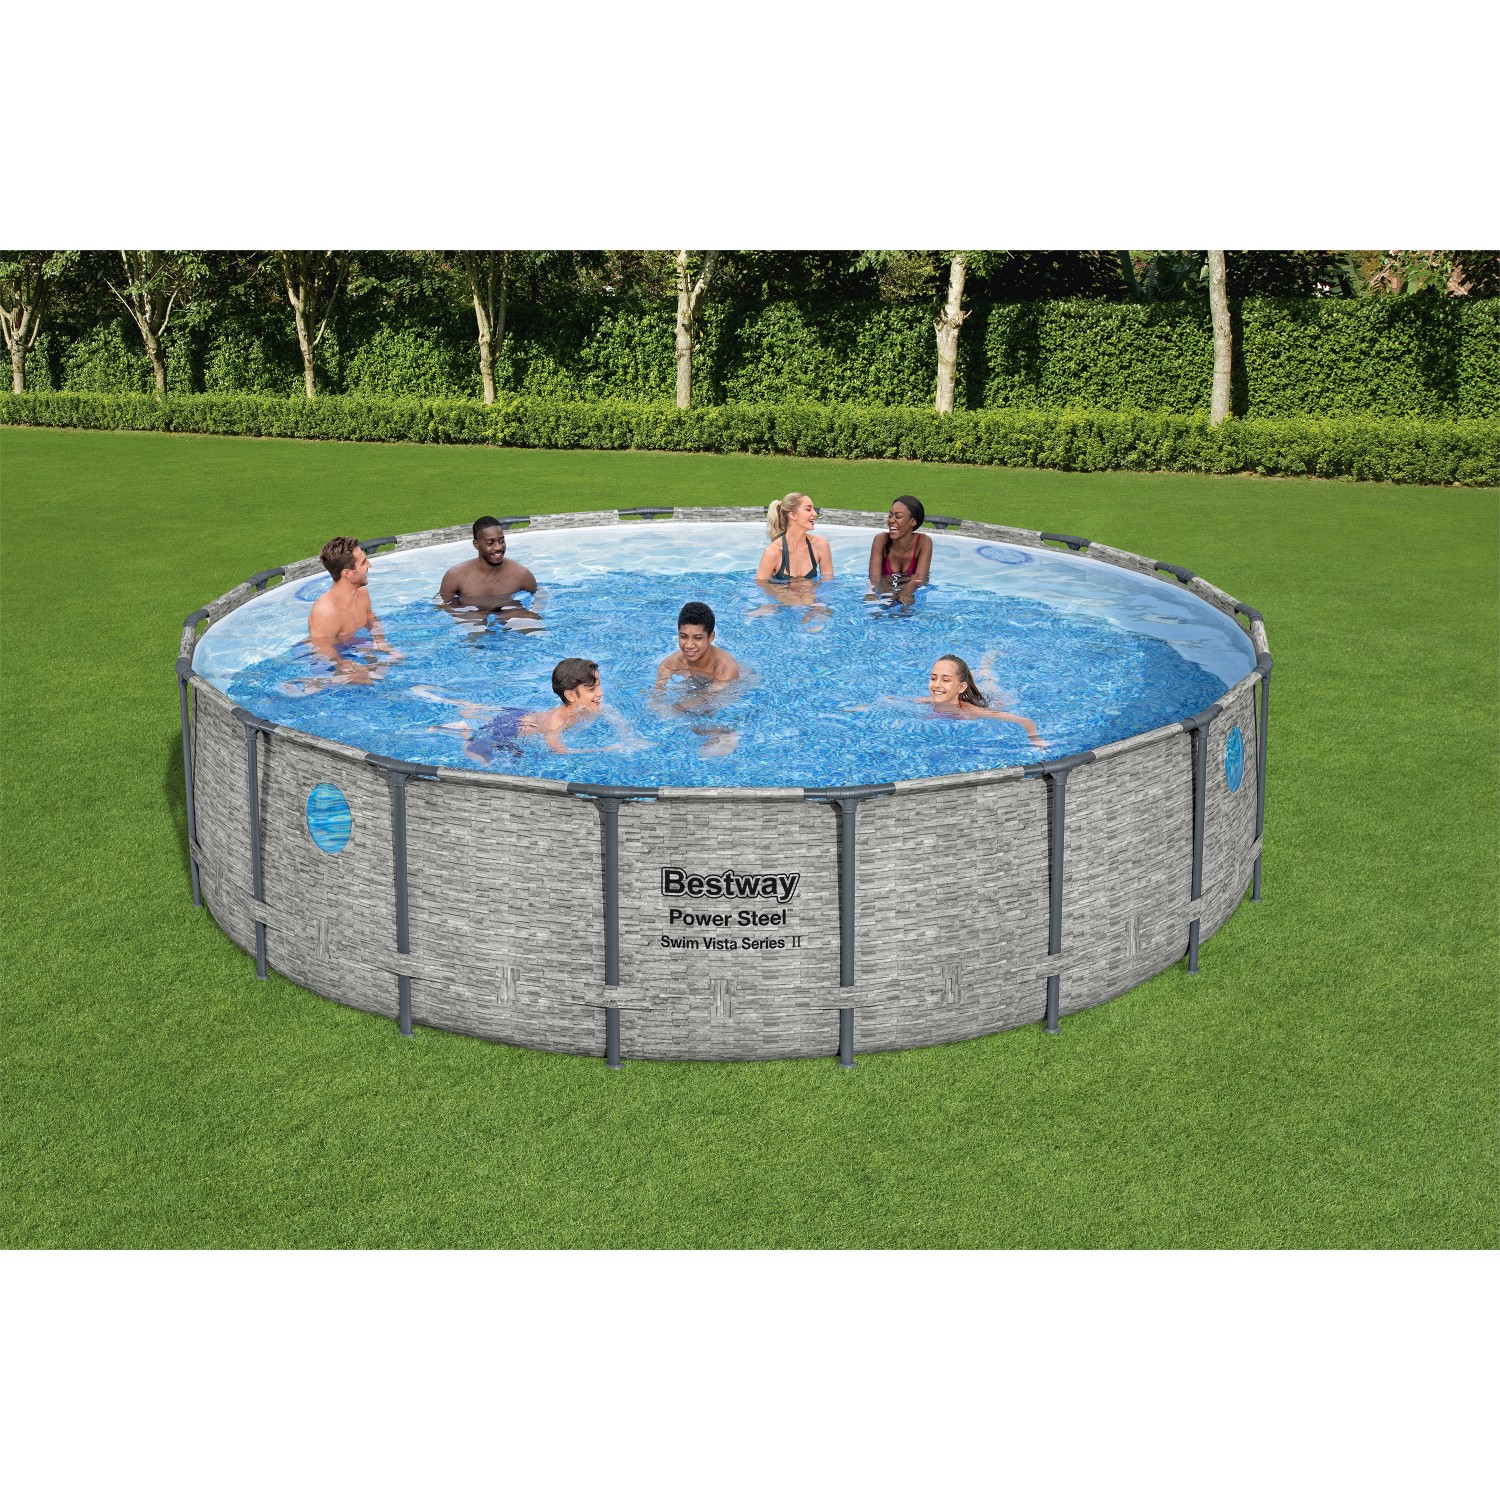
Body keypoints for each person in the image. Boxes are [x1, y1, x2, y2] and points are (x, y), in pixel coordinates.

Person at [415, 658, 634, 762]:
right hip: (509, 730)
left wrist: (629, 738)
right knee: (481, 758)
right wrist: (606, 750)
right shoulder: (556, 723)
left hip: (524, 714)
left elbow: (614, 715)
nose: (600, 693)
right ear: (570, 695)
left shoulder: (589, 706)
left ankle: (464, 708)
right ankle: (463, 730)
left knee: (483, 710)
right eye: (591, 689)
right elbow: (561, 752)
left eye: (599, 685)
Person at [307, 536, 402, 682]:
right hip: (326, 661)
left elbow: (371, 620)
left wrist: (380, 641)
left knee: (399, 658)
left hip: (352, 644)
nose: (369, 565)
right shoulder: (326, 611)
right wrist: (344, 666)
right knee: (366, 681)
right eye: (363, 562)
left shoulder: (362, 594)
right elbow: (322, 652)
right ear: (347, 573)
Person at [653, 601, 742, 757]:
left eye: (697, 638)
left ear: (711, 637)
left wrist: (677, 707)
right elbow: (656, 695)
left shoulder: (726, 667)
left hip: (730, 682)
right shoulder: (669, 665)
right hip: (699, 681)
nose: (689, 645)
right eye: (683, 637)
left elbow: (710, 697)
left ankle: (725, 734)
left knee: (711, 716)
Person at [917, 655, 1047, 748]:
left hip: (993, 699)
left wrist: (1035, 739)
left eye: (945, 680)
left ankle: (986, 665)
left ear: (961, 687)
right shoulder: (929, 701)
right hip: (966, 692)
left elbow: (1024, 721)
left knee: (989, 683)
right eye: (933, 678)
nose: (936, 685)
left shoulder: (971, 711)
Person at [437, 516, 542, 631]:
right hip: (472, 613)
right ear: (476, 544)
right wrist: (462, 614)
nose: (498, 547)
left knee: (534, 627)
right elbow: (441, 602)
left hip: (510, 609)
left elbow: (539, 594)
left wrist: (535, 611)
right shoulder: (456, 575)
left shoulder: (520, 573)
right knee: (477, 632)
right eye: (490, 543)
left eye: (501, 541)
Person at [755, 492, 834, 584]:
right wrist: (782, 590)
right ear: (793, 515)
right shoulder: (773, 552)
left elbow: (828, 582)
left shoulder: (821, 544)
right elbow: (761, 586)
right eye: (808, 509)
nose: (815, 513)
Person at [867, 495, 932, 600]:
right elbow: (874, 577)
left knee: (907, 602)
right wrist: (872, 593)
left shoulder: (924, 542)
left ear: (913, 521)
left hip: (909, 589)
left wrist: (906, 592)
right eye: (890, 515)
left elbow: (920, 578)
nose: (891, 520)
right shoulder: (880, 540)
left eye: (898, 516)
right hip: (885, 586)